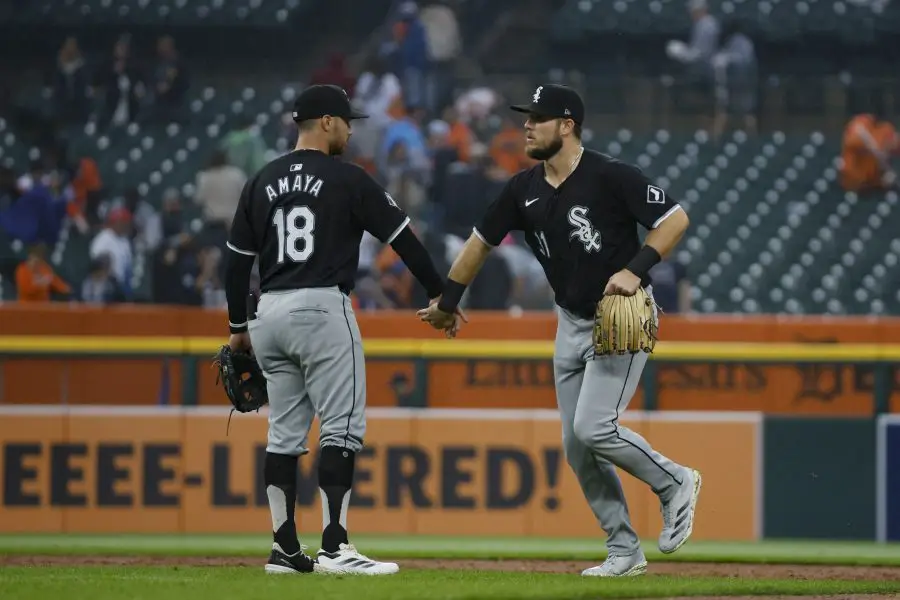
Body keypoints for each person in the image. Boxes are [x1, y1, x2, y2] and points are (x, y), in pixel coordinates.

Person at [417, 84, 701, 577]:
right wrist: (448, 300)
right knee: (577, 446)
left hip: (619, 317)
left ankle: (674, 482)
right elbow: (480, 243)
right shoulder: (521, 188)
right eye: (526, 117)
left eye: (538, 118)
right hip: (569, 321)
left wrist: (636, 268)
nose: (526, 125)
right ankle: (623, 550)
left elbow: (674, 220)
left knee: (594, 428)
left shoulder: (610, 175)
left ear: (567, 125)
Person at [223, 84, 461, 576]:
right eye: (347, 121)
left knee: (284, 434)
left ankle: (284, 549)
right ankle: (335, 545)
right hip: (321, 308)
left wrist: (236, 328)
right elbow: (404, 240)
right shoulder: (349, 178)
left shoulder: (260, 181)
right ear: (327, 122)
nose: (351, 130)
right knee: (342, 427)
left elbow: (235, 265)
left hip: (267, 312)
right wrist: (441, 294)